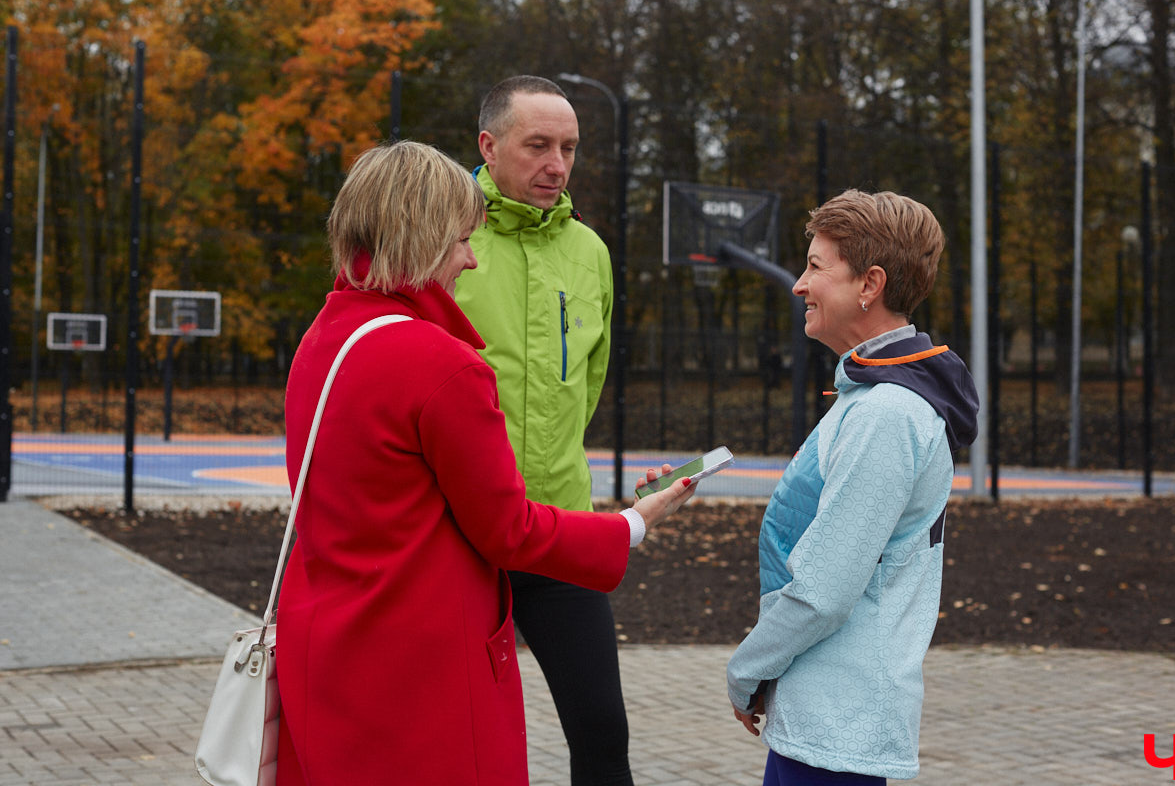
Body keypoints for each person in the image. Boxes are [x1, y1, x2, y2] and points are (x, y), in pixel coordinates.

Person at [274, 140, 696, 786]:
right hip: (423, 656)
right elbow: (509, 530)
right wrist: (633, 523)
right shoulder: (442, 364)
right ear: (421, 237)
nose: (471, 260)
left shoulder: (321, 340)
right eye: (462, 241)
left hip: (329, 640)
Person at [726, 189, 980, 785]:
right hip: (822, 714)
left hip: (840, 723)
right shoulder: (872, 397)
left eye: (815, 267)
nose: (798, 284)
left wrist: (745, 669)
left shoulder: (887, 414)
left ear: (870, 284)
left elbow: (826, 589)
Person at [453, 76, 633, 785]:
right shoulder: (444, 236)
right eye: (538, 146)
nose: (556, 164)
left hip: (557, 528)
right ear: (489, 148)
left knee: (601, 731)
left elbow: (586, 384)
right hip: (456, 537)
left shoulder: (589, 252)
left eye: (568, 148)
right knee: (455, 735)